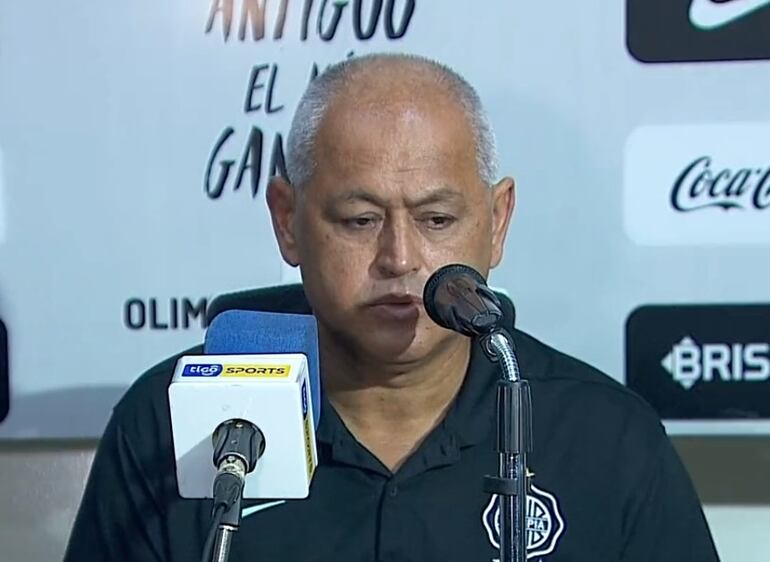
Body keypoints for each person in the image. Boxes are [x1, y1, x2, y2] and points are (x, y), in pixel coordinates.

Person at [65, 53, 720, 562]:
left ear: (497, 220)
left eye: (437, 218)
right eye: (358, 219)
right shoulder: (169, 423)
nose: (400, 258)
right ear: (288, 221)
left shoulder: (607, 440)